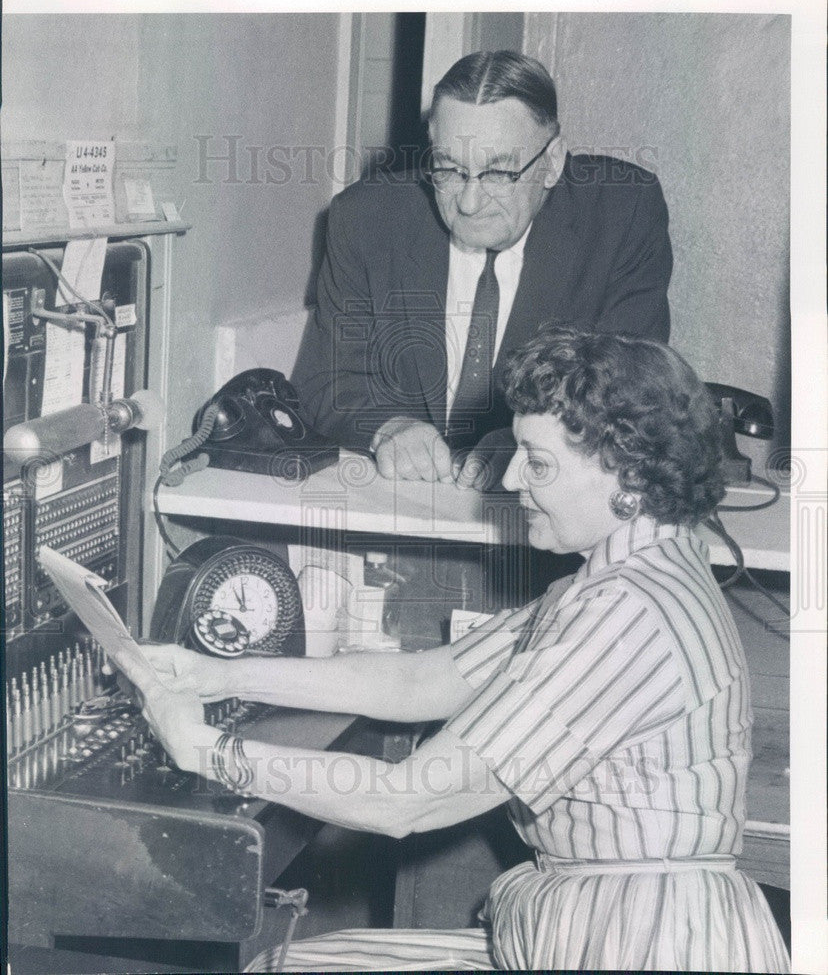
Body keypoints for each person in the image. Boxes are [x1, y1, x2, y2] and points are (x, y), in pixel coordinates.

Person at [139, 327, 789, 972]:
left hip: (641, 940)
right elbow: (427, 681)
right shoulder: (629, 575)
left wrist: (208, 751)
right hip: (602, 920)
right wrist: (217, 674)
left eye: (537, 463)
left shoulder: (623, 615)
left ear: (628, 478)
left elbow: (406, 799)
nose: (508, 478)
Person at [292, 50, 673, 485]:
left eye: (497, 174)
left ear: (551, 163)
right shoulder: (366, 218)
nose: (469, 204)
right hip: (404, 501)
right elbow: (323, 382)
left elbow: (634, 388)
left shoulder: (622, 214)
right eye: (449, 169)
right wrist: (388, 427)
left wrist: (531, 438)